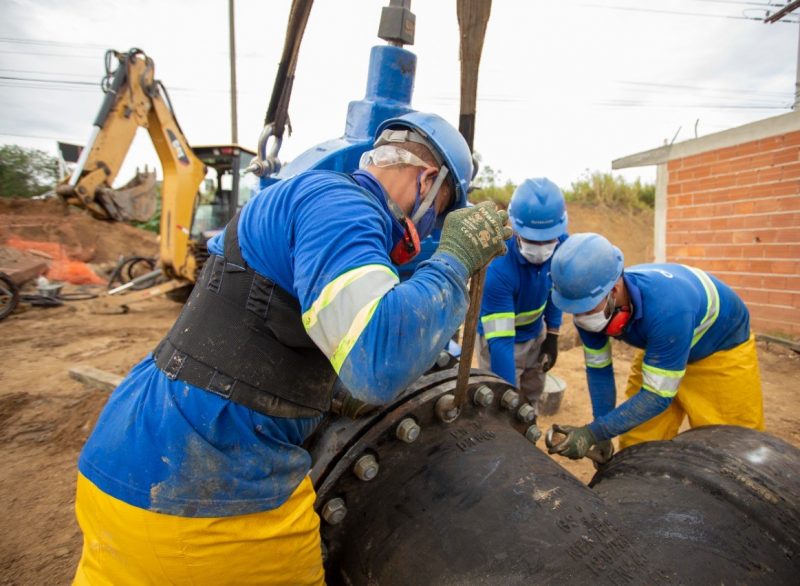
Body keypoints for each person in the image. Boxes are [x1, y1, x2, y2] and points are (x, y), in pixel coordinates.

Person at [72, 111, 512, 585]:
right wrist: (453, 262)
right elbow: (377, 362)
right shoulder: (344, 206)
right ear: (428, 180)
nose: (429, 232)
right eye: (442, 210)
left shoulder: (309, 201)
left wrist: (327, 391)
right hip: (210, 501)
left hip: (125, 465)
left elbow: (268, 333)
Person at [545, 232, 764, 462]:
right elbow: (600, 371)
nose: (580, 316)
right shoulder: (589, 304)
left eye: (586, 308)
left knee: (733, 450)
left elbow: (657, 396)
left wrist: (592, 433)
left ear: (614, 291)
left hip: (719, 349)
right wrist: (602, 433)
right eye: (574, 308)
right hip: (662, 345)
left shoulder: (668, 309)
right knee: (638, 441)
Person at [477, 178, 568, 411]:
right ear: (515, 230)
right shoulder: (498, 268)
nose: (541, 248)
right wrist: (509, 401)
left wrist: (553, 335)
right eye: (531, 239)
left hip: (535, 334)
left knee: (532, 398)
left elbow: (556, 287)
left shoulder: (562, 246)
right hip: (501, 342)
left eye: (547, 240)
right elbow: (501, 344)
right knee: (501, 408)